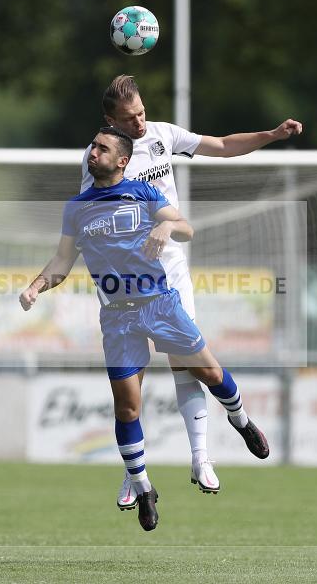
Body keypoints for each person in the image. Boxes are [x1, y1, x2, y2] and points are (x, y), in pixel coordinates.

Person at [21, 126, 270, 531]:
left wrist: (166, 227)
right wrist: (36, 286)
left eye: (102, 148)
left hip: (160, 305)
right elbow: (62, 261)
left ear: (122, 160)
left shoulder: (142, 192)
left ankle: (240, 420)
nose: (92, 152)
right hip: (117, 318)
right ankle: (143, 488)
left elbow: (186, 228)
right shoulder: (77, 207)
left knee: (209, 373)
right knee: (127, 407)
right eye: (92, 147)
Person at [81, 75, 302, 509]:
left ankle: (202, 456)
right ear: (110, 121)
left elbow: (222, 145)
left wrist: (272, 135)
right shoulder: (99, 158)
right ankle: (134, 475)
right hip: (127, 281)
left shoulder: (162, 135)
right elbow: (87, 219)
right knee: (131, 387)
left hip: (171, 269)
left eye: (142, 112)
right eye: (129, 118)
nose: (140, 122)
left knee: (188, 365)